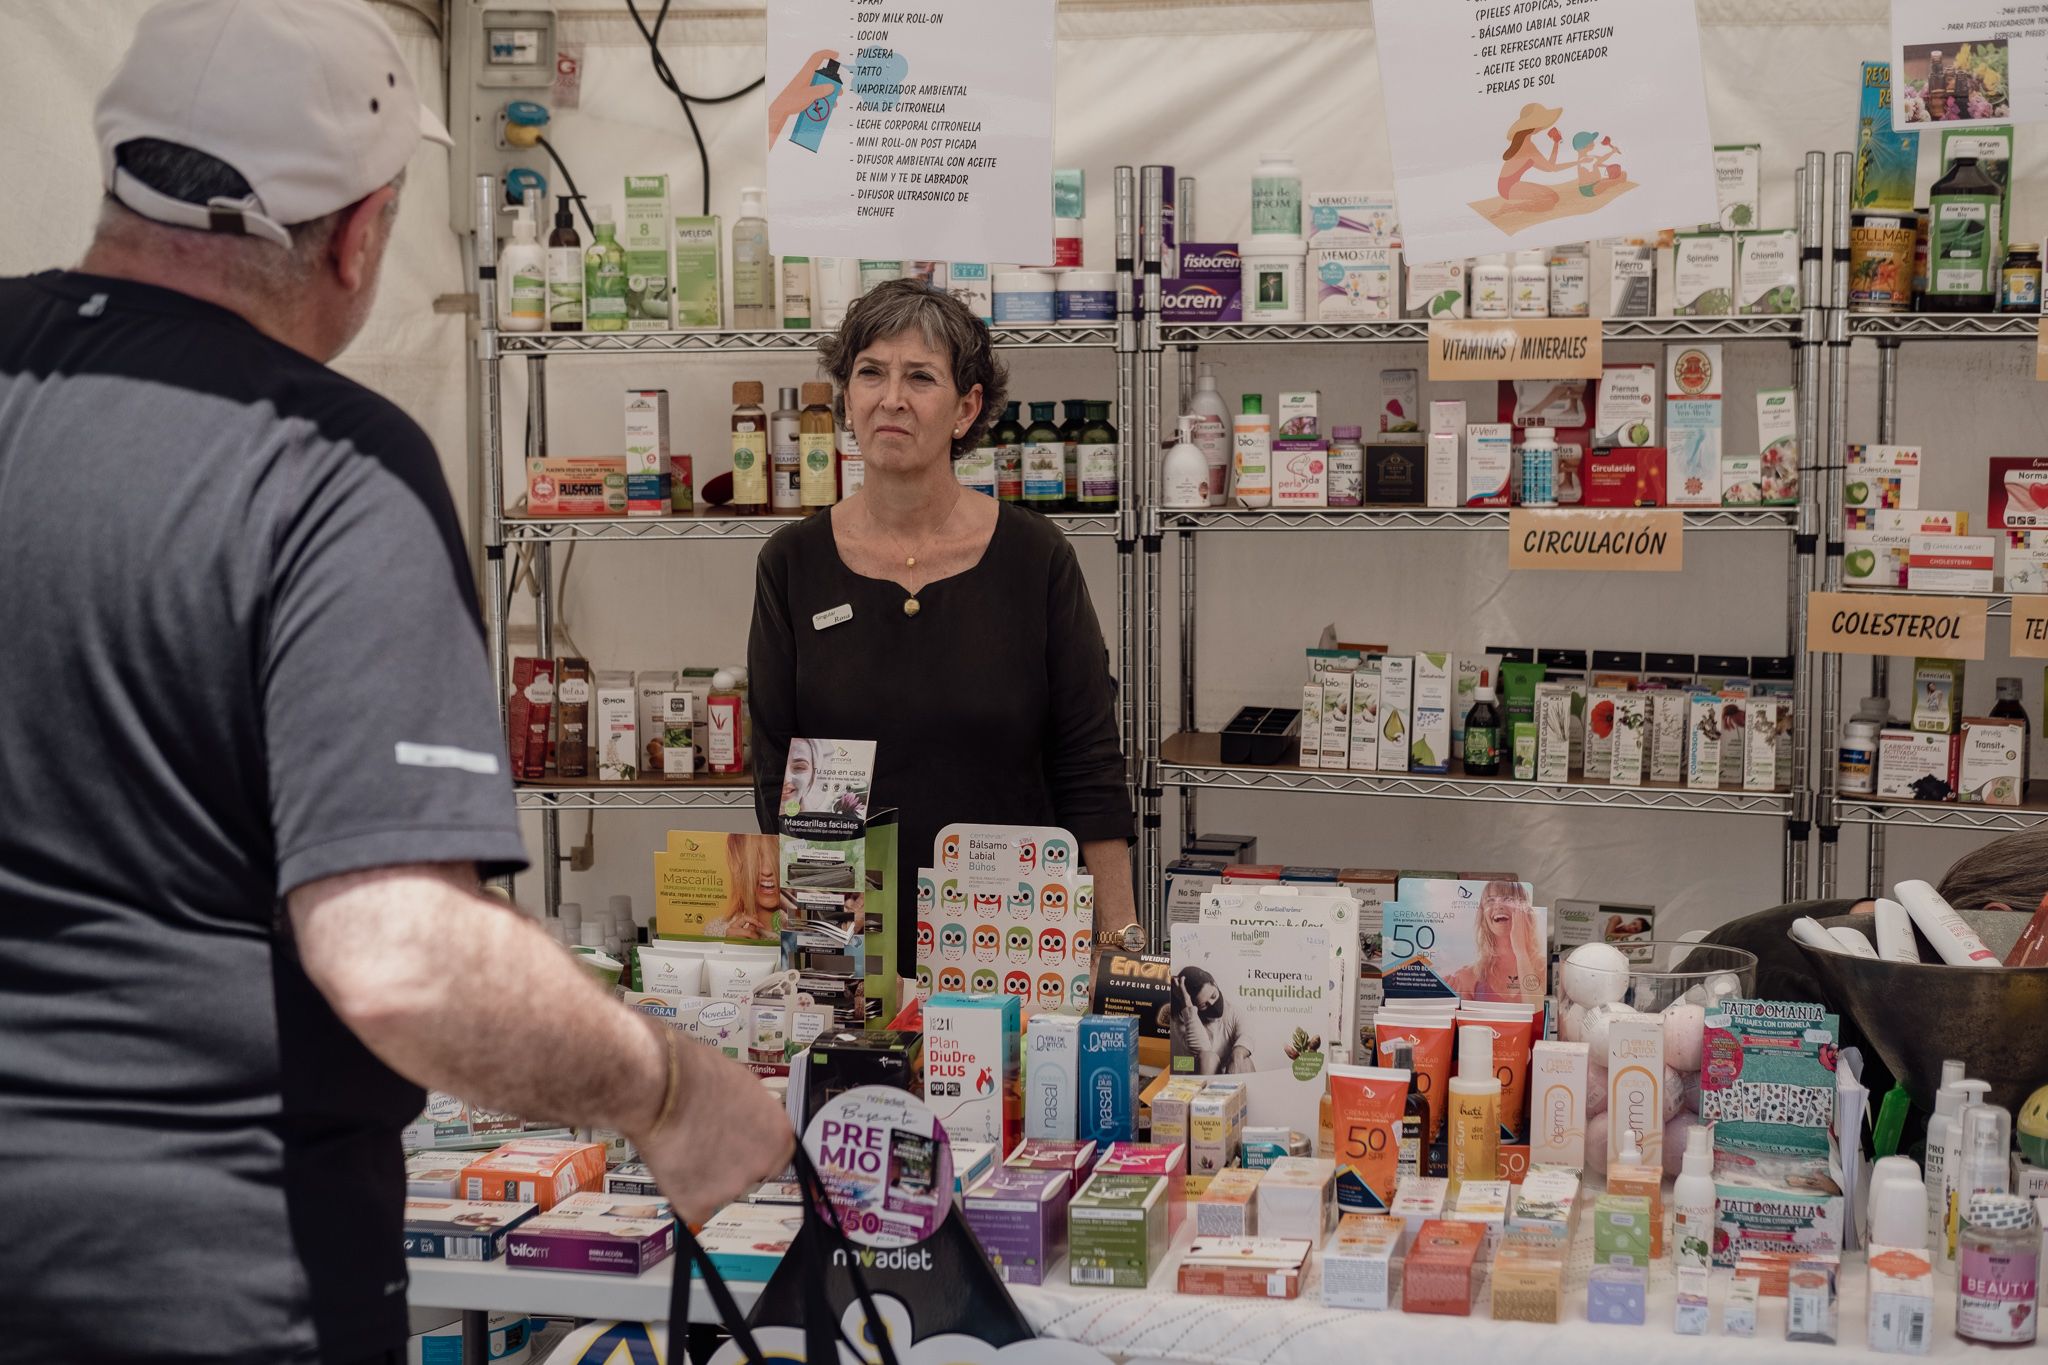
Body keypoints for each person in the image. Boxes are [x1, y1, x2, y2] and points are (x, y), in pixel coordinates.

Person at [0, 4, 791, 1362]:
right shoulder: (326, 462)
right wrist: (668, 1085)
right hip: (202, 1278)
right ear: (363, 233)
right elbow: (402, 957)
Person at [748, 279, 1138, 967]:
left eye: (920, 377)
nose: (891, 397)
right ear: (846, 397)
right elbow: (777, 762)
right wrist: (812, 922)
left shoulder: (1035, 557)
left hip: (1013, 943)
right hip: (844, 939)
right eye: (870, 372)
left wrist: (1119, 945)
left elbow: (1090, 765)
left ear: (966, 408)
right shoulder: (793, 563)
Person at [1444, 880, 1547, 1005]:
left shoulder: (1542, 967)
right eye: (1490, 900)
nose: (1498, 906)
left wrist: (1521, 951)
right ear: (1483, 915)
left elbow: (1537, 1015)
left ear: (1525, 911)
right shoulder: (1469, 976)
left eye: (1508, 899)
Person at [1171, 966, 1253, 1075]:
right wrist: (1187, 1006)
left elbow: (1246, 1036)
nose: (1212, 1003)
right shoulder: (1182, 1018)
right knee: (1208, 1058)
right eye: (1203, 1005)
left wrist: (1237, 1054)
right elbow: (1202, 1049)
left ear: (1214, 984)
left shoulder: (1233, 1011)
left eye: (1213, 995)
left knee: (1244, 1060)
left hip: (1222, 1069)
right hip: (1185, 1065)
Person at [1497, 103, 1573, 210]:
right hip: (1509, 188)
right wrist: (1576, 163)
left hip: (1509, 184)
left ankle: (1513, 206)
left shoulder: (1525, 143)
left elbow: (1549, 167)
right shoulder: (1528, 147)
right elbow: (1551, 168)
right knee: (1549, 202)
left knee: (1553, 197)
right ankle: (1510, 207)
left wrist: (1556, 143)